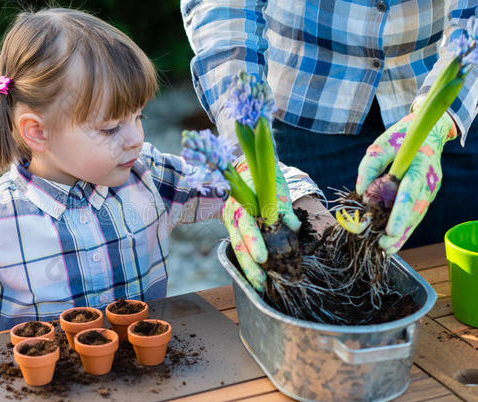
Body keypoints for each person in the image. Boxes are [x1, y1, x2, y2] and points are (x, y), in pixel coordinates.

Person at [0, 8, 321, 344]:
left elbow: (247, 184)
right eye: (110, 127)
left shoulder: (150, 176)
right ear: (38, 132)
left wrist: (298, 199)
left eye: (139, 116)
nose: (134, 138)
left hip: (152, 374)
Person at [182, 1, 478, 250]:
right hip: (308, 96)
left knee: (447, 268)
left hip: (448, 93)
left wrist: (439, 123)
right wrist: (242, 146)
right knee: (323, 267)